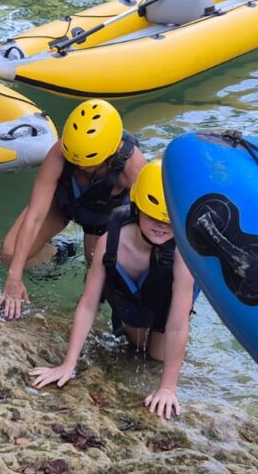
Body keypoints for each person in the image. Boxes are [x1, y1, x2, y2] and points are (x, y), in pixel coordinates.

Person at [29, 160, 197, 420]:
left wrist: (167, 388)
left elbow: (177, 324)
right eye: (153, 216)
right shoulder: (112, 241)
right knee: (134, 343)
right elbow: (88, 303)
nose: (161, 227)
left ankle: (167, 350)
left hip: (167, 292)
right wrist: (68, 364)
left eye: (169, 222)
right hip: (130, 288)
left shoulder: (182, 257)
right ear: (137, 207)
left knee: (156, 355)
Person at [0, 99, 146, 320]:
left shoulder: (133, 167)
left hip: (102, 218)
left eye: (89, 163)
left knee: (98, 276)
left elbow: (148, 225)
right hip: (64, 202)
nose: (81, 167)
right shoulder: (60, 152)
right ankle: (59, 254)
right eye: (75, 160)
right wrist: (14, 277)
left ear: (110, 152)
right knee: (9, 255)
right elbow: (35, 215)